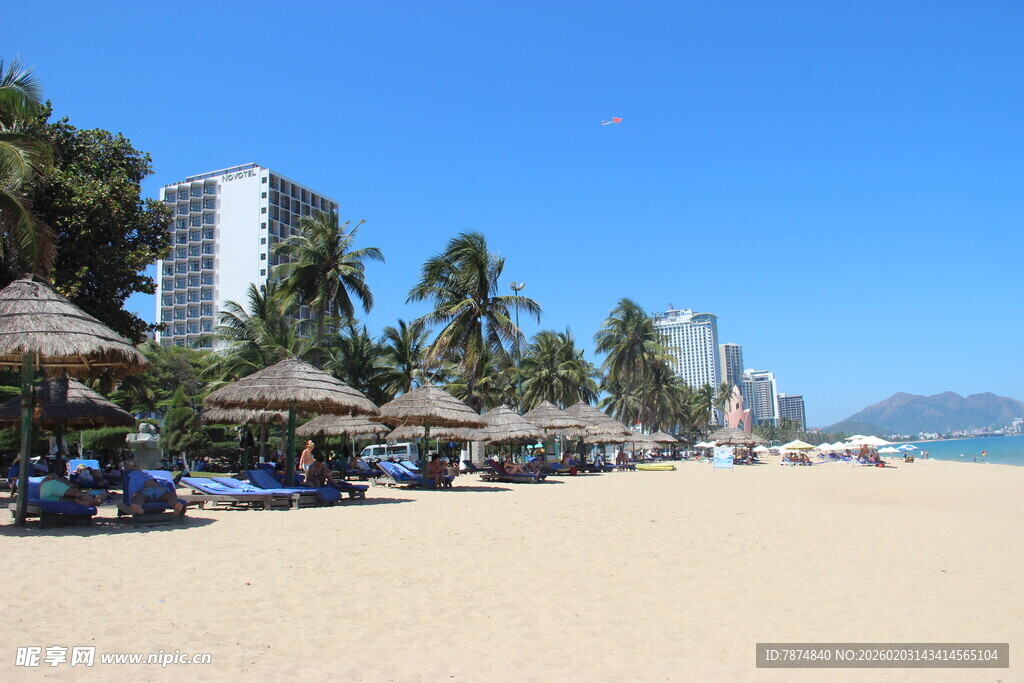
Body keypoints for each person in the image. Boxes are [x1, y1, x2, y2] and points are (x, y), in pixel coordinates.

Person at [39, 474, 108, 506]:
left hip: (49, 500)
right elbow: (76, 494)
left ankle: (93, 500)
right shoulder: (54, 484)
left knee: (76, 498)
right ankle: (94, 501)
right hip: (55, 500)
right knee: (79, 495)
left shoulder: (43, 485)